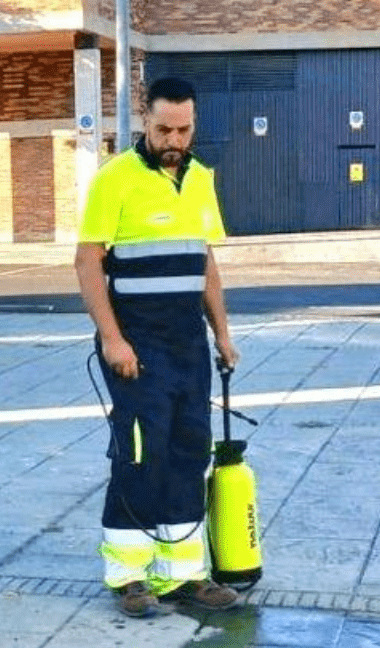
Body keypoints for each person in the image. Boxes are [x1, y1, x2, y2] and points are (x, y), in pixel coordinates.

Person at [74, 76, 244, 619]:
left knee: (188, 450)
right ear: (144, 121)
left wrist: (221, 332)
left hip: (187, 345)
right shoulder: (114, 178)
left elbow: (205, 262)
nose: (174, 138)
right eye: (164, 128)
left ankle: (184, 575)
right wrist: (112, 338)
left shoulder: (200, 179)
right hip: (136, 346)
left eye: (184, 129)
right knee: (142, 452)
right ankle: (128, 577)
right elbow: (87, 262)